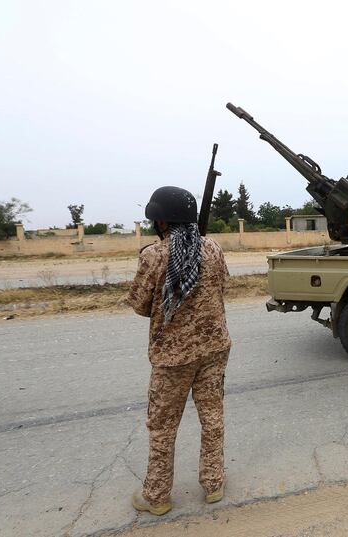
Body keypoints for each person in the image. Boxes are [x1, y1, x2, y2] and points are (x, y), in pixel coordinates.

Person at [127, 186, 232, 516]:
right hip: (215, 347)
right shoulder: (213, 249)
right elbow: (222, 288)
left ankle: (157, 496)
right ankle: (213, 484)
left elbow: (141, 305)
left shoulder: (154, 255)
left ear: (161, 221)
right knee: (212, 417)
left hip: (173, 357)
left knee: (162, 426)